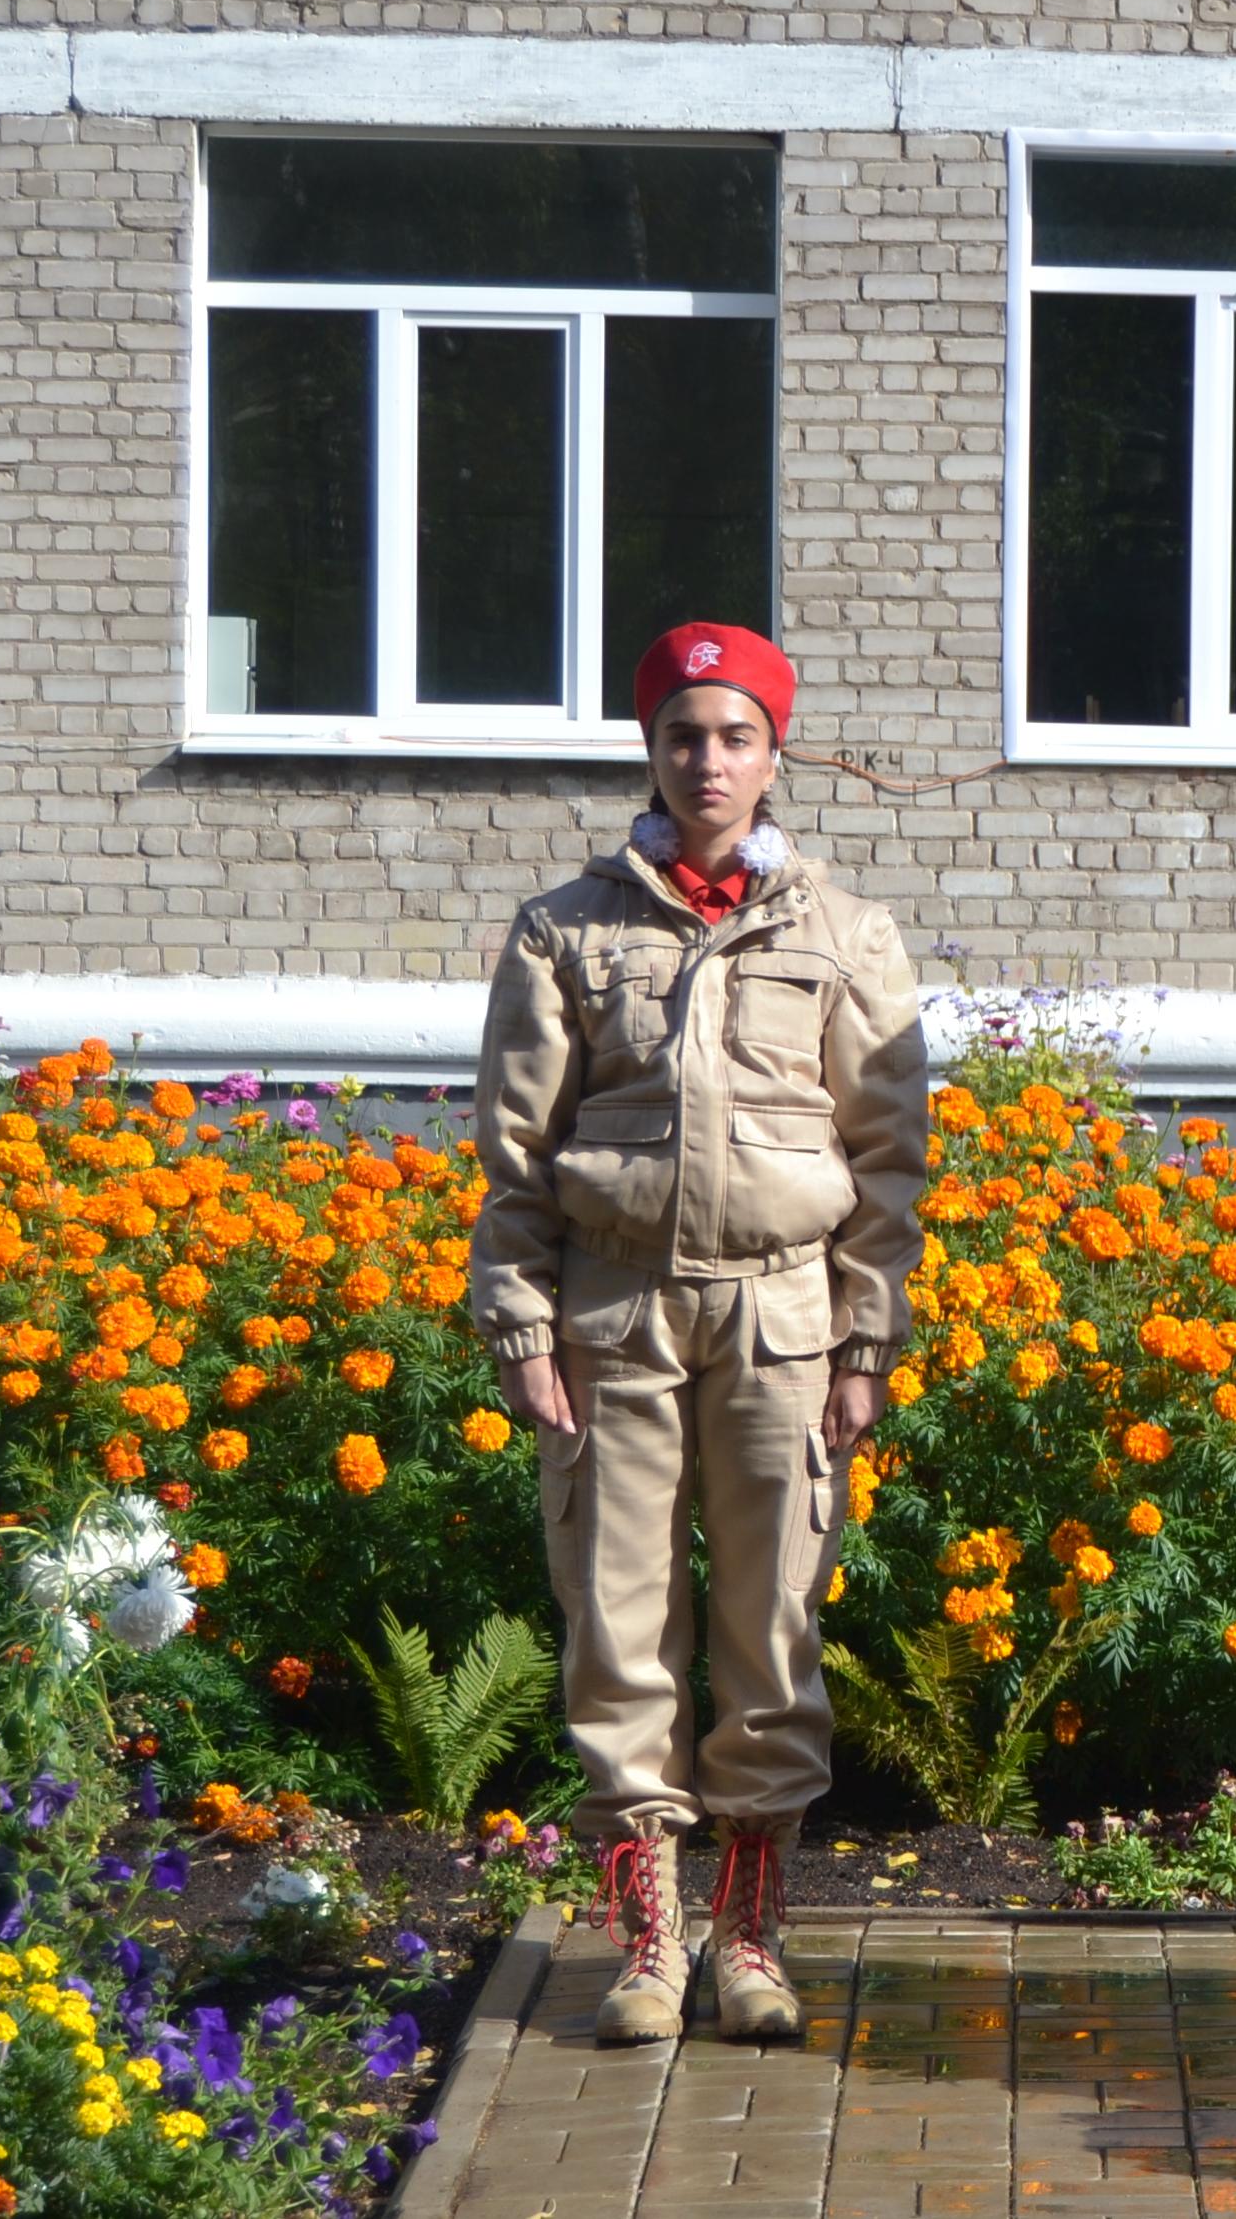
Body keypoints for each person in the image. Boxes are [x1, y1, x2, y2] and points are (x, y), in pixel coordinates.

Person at [467, 623, 929, 2047]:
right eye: (683, 735)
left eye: (735, 737)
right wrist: (520, 1320)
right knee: (618, 1630)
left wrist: (864, 1342)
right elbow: (516, 1153)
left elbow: (889, 1160)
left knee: (771, 1628)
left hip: (783, 1316)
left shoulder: (845, 934)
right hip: (613, 1317)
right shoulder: (564, 930)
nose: (707, 762)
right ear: (652, 752)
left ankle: (751, 1942)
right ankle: (649, 1946)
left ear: (775, 757)